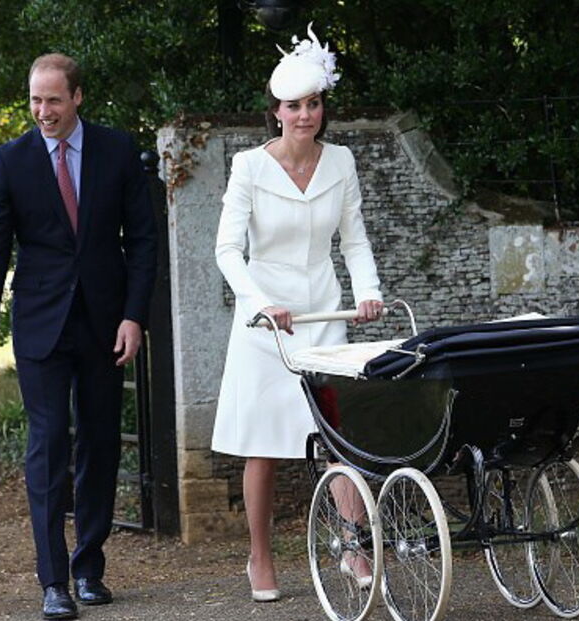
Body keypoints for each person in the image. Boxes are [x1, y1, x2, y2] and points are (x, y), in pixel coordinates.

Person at [0, 53, 156, 620]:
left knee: (98, 443)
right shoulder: (11, 160)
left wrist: (134, 316)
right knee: (48, 446)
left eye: (52, 100)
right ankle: (54, 581)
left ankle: (89, 567)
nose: (42, 112)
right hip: (40, 326)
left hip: (105, 323)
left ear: (77, 98)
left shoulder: (118, 151)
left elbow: (143, 242)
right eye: (34, 100)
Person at [212, 24, 384, 602]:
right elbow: (227, 251)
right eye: (294, 106)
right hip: (266, 321)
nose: (305, 115)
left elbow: (354, 239)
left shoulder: (341, 161)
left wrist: (367, 290)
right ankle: (260, 558)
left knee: (339, 437)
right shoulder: (249, 168)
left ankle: (354, 545)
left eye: (313, 104)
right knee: (264, 445)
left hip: (323, 315)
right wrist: (261, 304)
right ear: (276, 112)